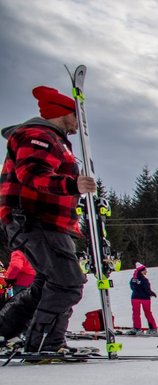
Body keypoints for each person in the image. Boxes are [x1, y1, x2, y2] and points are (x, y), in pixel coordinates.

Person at [0, 85, 96, 354]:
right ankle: (44, 344)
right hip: (35, 218)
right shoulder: (38, 136)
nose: (78, 124)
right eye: (75, 116)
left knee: (48, 283)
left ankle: (5, 331)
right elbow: (32, 174)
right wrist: (72, 185)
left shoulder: (51, 138)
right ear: (62, 113)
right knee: (68, 282)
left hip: (45, 221)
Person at [129, 263, 158, 335]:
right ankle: (153, 328)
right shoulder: (144, 280)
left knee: (136, 313)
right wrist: (151, 293)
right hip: (145, 299)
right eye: (145, 270)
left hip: (135, 297)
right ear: (141, 271)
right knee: (148, 313)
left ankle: (137, 328)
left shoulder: (133, 279)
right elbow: (147, 289)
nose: (146, 271)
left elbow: (132, 287)